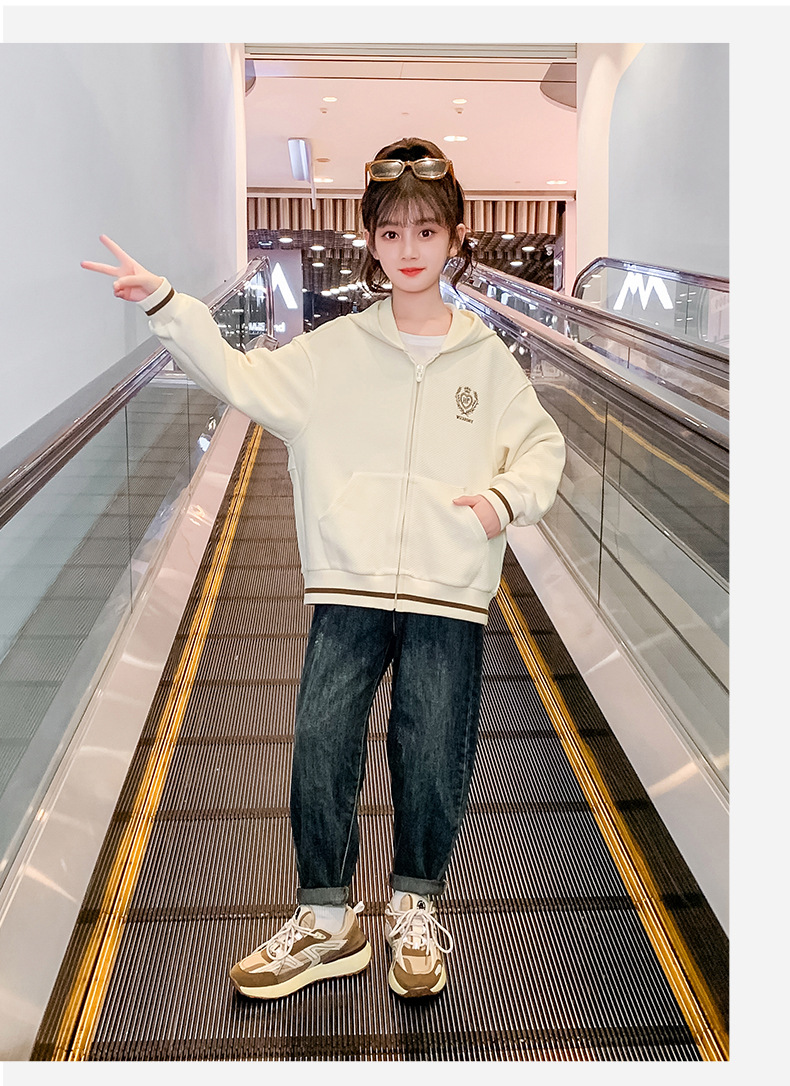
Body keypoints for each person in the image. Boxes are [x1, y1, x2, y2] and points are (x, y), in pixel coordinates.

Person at [82, 137, 566, 1001]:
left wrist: (503, 500)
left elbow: (542, 448)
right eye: (392, 232)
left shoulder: (488, 361)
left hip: (449, 591)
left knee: (433, 750)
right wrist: (166, 303)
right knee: (322, 742)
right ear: (371, 241)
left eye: (427, 231)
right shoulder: (333, 351)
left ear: (455, 238)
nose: (409, 249)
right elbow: (238, 376)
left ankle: (413, 908)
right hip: (347, 585)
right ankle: (327, 919)